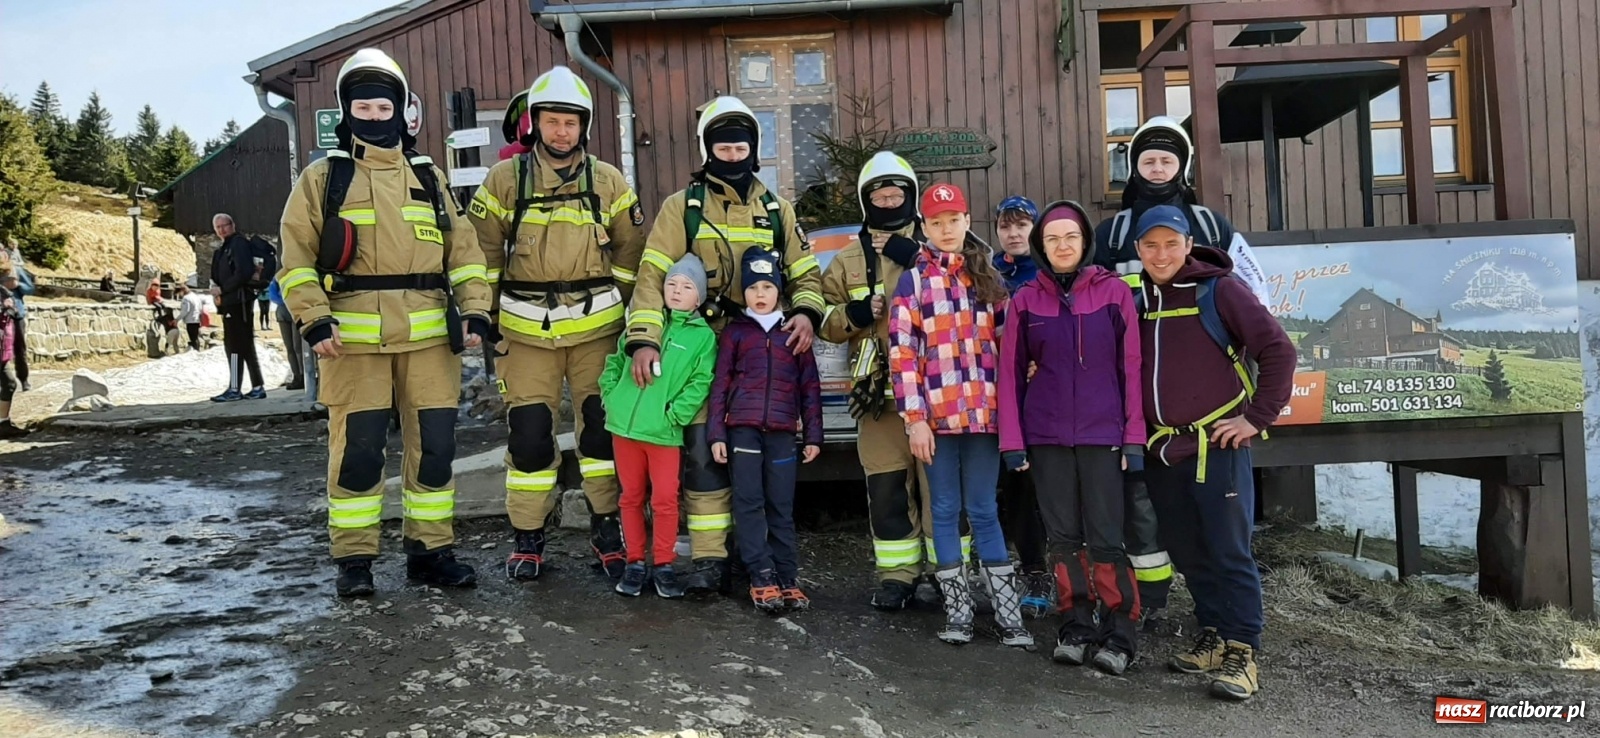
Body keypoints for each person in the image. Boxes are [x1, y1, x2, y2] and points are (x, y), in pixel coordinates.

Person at [277, 48, 494, 597]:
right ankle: (355, 561)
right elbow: (296, 260)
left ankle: (431, 550)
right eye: (363, 108)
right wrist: (315, 321)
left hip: (428, 345)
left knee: (437, 449)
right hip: (351, 346)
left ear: (401, 111)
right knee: (359, 454)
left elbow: (463, 253)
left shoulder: (428, 176)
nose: (374, 117)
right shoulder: (322, 179)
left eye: (383, 107)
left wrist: (475, 310)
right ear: (347, 113)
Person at [623, 96, 824, 595]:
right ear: (707, 150)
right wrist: (644, 339)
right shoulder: (682, 208)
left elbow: (804, 273)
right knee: (704, 456)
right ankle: (712, 561)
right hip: (696, 351)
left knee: (754, 452)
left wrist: (805, 312)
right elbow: (651, 274)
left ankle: (752, 557)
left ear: (753, 150)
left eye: (740, 147)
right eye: (723, 147)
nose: (732, 155)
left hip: (760, 354)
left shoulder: (778, 209)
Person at [468, 65, 647, 584]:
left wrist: (623, 313)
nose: (561, 131)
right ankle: (528, 534)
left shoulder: (608, 180)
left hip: (598, 333)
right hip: (524, 333)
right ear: (535, 123)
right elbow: (481, 251)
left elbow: (632, 256)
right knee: (529, 437)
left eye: (570, 122)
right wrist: (486, 312)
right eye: (552, 121)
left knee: (600, 437)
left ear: (583, 126)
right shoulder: (505, 179)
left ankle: (606, 528)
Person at [1129, 205, 1294, 701]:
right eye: (1151, 245)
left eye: (1171, 244)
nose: (1162, 254)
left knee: (1228, 550)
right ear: (1137, 249)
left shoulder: (1219, 290)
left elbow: (1279, 350)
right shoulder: (1136, 299)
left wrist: (1255, 417)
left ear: (1187, 244)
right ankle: (1214, 633)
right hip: (1164, 450)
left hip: (1217, 445)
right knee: (1187, 550)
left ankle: (1243, 650)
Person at [998, 200, 1145, 675]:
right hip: (1047, 437)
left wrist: (1134, 437)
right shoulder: (1024, 301)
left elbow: (1132, 368)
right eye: (1053, 238)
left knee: (1106, 538)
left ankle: (1119, 631)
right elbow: (1009, 376)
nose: (1062, 246)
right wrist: (1012, 441)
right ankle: (1075, 625)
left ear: (1085, 242)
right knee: (1062, 539)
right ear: (1042, 245)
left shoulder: (1114, 293)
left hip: (1105, 435)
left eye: (1071, 237)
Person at [889, 182, 1029, 648]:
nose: (946, 229)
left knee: (985, 510)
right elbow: (903, 356)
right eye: (936, 222)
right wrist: (915, 419)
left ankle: (1009, 616)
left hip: (985, 418)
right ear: (924, 228)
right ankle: (958, 612)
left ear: (967, 221)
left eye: (954, 220)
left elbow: (1012, 347)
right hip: (938, 421)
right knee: (945, 511)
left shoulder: (990, 278)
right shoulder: (913, 283)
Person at [819, 152, 945, 610]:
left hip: (935, 396)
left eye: (897, 195)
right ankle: (898, 576)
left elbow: (971, 288)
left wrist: (919, 259)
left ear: (910, 199)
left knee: (941, 492)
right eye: (881, 196)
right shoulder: (848, 259)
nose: (889, 203)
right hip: (877, 396)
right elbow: (823, 319)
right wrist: (853, 314)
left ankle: (947, 574)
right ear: (865, 200)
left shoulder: (937, 244)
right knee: (887, 488)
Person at [708, 248, 823, 612]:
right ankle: (761, 574)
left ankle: (787, 577)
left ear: (779, 292)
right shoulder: (735, 333)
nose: (760, 294)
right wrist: (716, 434)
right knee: (749, 503)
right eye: (753, 287)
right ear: (744, 293)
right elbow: (720, 384)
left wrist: (814, 436)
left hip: (782, 432)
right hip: (742, 431)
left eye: (767, 287)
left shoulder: (794, 331)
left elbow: (810, 386)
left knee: (781, 506)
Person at [599, 254, 717, 599]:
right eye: (671, 284)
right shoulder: (645, 323)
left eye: (687, 286)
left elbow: (701, 381)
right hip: (625, 429)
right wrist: (611, 395)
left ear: (699, 298)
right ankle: (635, 562)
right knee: (631, 498)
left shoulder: (702, 337)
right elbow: (616, 359)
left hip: (664, 433)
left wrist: (675, 415)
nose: (677, 291)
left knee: (665, 500)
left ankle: (663, 564)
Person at [987, 195, 1051, 618]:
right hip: (985, 398)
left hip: (1033, 402)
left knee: (1029, 491)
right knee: (994, 492)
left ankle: (1038, 573)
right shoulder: (987, 272)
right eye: (1006, 226)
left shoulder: (1046, 274)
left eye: (1022, 225)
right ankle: (993, 574)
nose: (1013, 234)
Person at [210, 214, 265, 401]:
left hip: (238, 301)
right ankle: (257, 386)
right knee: (244, 344)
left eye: (224, 225)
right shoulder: (225, 247)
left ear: (232, 225)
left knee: (234, 345)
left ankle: (235, 389)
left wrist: (223, 290)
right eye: (217, 227)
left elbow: (244, 272)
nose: (221, 230)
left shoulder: (238, 244)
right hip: (232, 301)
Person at [0, 265, 25, 440]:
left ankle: (3, 424)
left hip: (3, 351)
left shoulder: (6, 295)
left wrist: (11, 309)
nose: (16, 280)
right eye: (13, 277)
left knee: (9, 384)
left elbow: (15, 314)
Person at [268, 279, 305, 389]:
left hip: (295, 310)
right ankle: (296, 376)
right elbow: (272, 294)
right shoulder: (277, 277)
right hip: (283, 311)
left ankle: (303, 375)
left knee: (297, 346)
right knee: (290, 347)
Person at [5, 245, 33, 391]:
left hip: (16, 315)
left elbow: (30, 288)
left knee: (19, 348)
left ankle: (24, 379)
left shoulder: (16, 270)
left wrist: (17, 285)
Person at [177, 283, 204, 351]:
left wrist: (177, 319)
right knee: (195, 337)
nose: (179, 295)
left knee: (193, 338)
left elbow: (185, 310)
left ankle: (195, 351)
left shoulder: (186, 298)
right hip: (197, 319)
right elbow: (201, 307)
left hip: (190, 320)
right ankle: (197, 350)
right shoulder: (196, 296)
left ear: (182, 291)